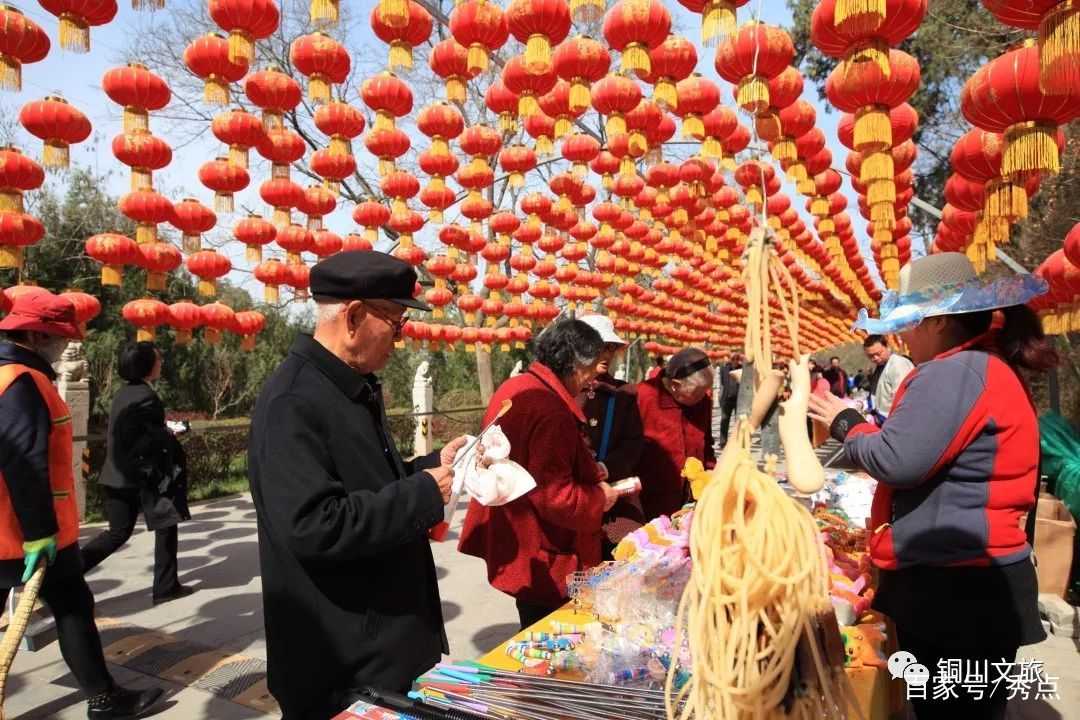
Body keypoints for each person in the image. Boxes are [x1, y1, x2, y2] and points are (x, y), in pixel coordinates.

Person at [808, 253, 1054, 720]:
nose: (902, 336)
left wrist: (846, 423)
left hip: (959, 587)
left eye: (909, 323)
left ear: (938, 321)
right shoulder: (978, 366)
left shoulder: (954, 372)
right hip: (971, 580)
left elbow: (898, 460)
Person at [248, 252, 471, 719]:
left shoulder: (349, 385)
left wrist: (431, 466)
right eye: (395, 324)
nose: (399, 339)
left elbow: (368, 483)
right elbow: (315, 525)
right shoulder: (294, 400)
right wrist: (422, 494)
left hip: (380, 647)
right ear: (353, 317)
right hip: (340, 662)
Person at [0, 292, 163, 719]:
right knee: (73, 607)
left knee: (74, 604)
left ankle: (104, 695)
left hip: (13, 526)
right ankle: (104, 699)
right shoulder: (21, 380)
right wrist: (38, 531)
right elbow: (23, 459)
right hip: (23, 531)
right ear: (35, 334)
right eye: (58, 338)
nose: (64, 347)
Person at [459, 319, 619, 630]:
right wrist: (600, 498)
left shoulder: (516, 385)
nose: (591, 382)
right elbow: (555, 496)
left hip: (521, 538)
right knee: (550, 636)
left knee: (532, 623)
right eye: (591, 371)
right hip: (545, 549)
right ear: (577, 366)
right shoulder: (550, 409)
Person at [82, 341, 192, 604]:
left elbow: (137, 430)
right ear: (146, 365)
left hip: (117, 476)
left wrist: (162, 429)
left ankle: (65, 574)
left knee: (117, 533)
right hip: (141, 478)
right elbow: (140, 440)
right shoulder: (146, 397)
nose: (161, 363)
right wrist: (168, 436)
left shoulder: (124, 393)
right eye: (157, 359)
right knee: (166, 524)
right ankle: (165, 587)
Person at [574, 315, 644, 559]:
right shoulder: (563, 390)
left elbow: (634, 444)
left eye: (611, 348)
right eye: (600, 347)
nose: (606, 354)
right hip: (574, 501)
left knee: (624, 567)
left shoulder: (623, 393)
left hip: (617, 504)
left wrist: (604, 468)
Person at [636, 348, 716, 522]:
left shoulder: (703, 403)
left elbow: (707, 444)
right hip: (650, 502)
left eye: (706, 390)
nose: (703, 397)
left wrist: (710, 474)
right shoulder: (643, 396)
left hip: (691, 501)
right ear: (675, 384)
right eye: (697, 391)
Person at [862, 334, 915, 422]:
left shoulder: (898, 365)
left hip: (897, 420)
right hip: (882, 419)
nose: (875, 358)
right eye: (871, 356)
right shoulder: (880, 367)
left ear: (887, 347)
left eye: (878, 354)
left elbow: (901, 397)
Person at [717, 352, 743, 444]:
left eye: (737, 359)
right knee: (724, 419)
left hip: (738, 399)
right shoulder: (724, 369)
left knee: (738, 421)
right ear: (729, 359)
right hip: (727, 399)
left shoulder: (742, 369)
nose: (735, 361)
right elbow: (722, 384)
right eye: (733, 359)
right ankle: (723, 440)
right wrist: (720, 398)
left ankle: (737, 442)